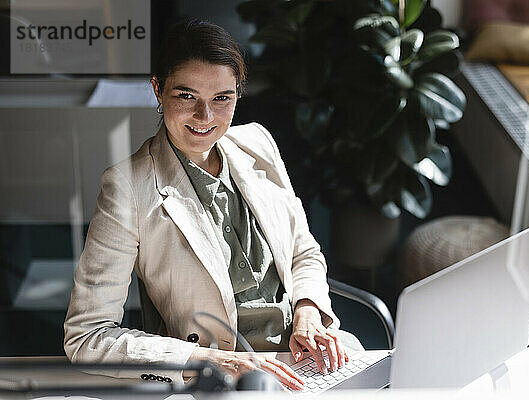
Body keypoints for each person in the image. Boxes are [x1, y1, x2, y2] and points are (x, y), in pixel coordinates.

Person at [64, 18, 360, 390]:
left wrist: (308, 311)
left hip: (311, 357)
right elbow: (87, 337)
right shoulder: (127, 187)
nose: (205, 118)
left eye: (222, 98)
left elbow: (303, 251)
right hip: (226, 377)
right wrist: (209, 361)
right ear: (158, 90)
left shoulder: (258, 143)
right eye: (186, 96)